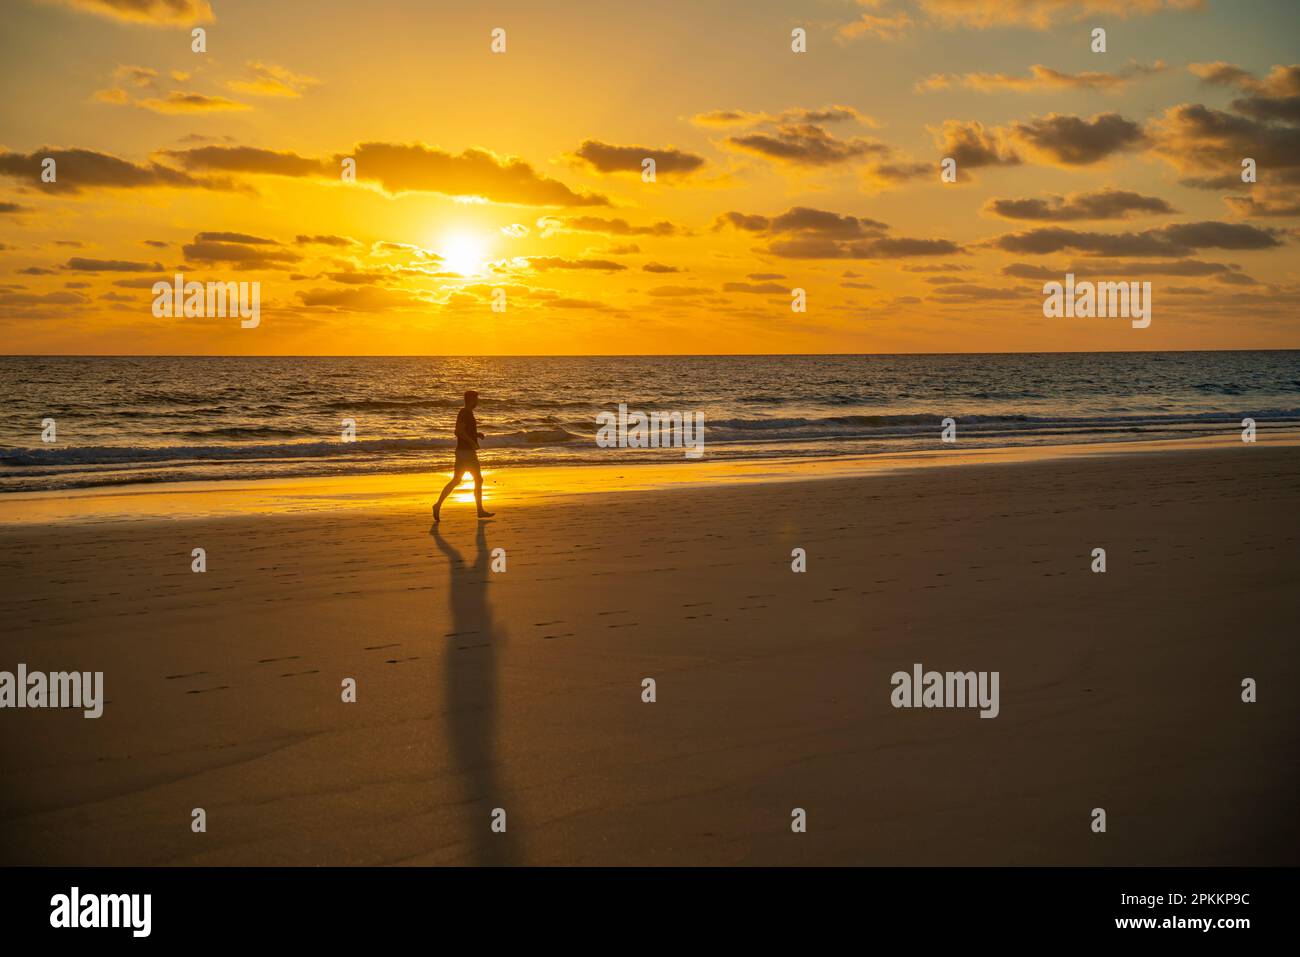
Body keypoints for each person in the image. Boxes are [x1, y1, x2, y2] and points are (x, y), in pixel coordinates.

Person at [433, 390, 494, 521]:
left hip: (462, 452)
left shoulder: (468, 413)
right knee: (478, 479)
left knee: (457, 480)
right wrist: (472, 442)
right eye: (476, 400)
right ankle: (480, 510)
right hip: (466, 452)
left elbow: (464, 431)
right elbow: (458, 431)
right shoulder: (465, 413)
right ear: (471, 400)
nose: (478, 402)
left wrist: (477, 435)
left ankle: (437, 505)